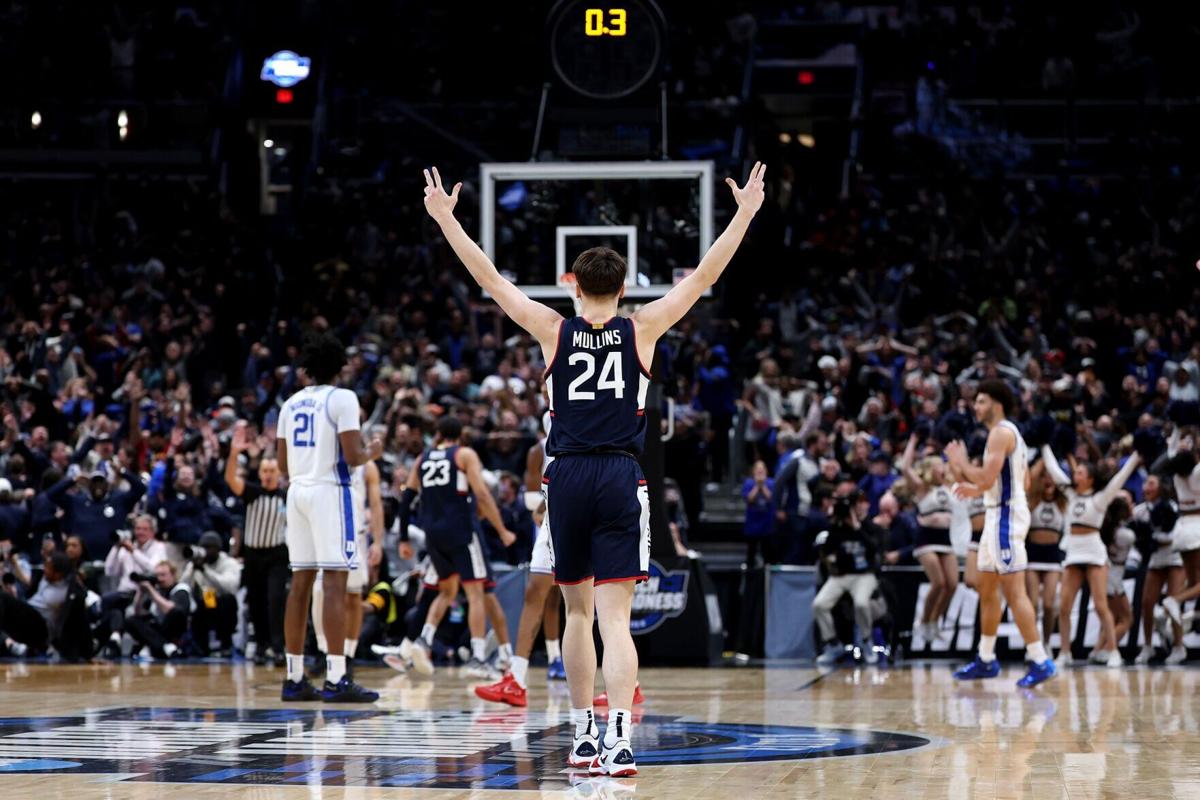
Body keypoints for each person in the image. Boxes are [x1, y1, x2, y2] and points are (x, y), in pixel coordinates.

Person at [423, 161, 765, 776]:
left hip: (568, 479)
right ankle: (620, 741)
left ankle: (583, 737)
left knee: (576, 614)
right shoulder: (645, 328)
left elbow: (490, 278)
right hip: (620, 477)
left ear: (573, 285)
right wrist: (743, 212)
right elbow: (708, 273)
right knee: (616, 621)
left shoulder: (552, 330)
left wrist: (447, 218)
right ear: (624, 289)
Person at [276, 332, 382, 702]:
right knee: (335, 583)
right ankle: (337, 677)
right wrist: (374, 451)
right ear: (340, 366)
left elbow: (280, 464)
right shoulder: (343, 398)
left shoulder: (289, 404)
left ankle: (293, 677)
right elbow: (353, 457)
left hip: (297, 492)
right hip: (329, 493)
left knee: (300, 585)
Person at [946, 379, 1056, 688]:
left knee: (1014, 591)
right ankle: (986, 658)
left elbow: (986, 474)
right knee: (987, 587)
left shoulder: (1000, 433)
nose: (975, 407)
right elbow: (1021, 482)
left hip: (1005, 515)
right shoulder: (1011, 435)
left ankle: (1039, 659)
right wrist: (977, 487)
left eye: (980, 401)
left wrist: (961, 464)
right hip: (999, 511)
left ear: (996, 404)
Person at [398, 415, 515, 677]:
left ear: (438, 433)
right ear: (460, 434)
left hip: (433, 534)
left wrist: (404, 537)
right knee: (476, 593)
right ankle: (477, 656)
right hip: (461, 530)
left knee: (446, 590)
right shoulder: (464, 455)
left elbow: (406, 499)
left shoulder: (422, 459)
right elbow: (483, 494)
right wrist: (502, 530)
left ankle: (424, 640)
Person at [1040, 440, 1140, 666]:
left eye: (1080, 472)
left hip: (1094, 551)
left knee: (1100, 605)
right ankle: (1064, 652)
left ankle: (1113, 651)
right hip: (1074, 551)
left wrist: (1135, 457)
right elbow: (1055, 471)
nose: (1075, 475)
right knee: (1064, 606)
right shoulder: (1071, 495)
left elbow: (1119, 478)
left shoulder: (1100, 498)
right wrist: (1045, 444)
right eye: (1075, 472)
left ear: (1090, 478)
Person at [224, 422, 289, 665]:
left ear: (279, 474)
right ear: (260, 473)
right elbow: (230, 478)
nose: (269, 474)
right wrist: (234, 453)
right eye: (265, 470)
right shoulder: (252, 492)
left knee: (276, 599)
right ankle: (262, 646)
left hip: (277, 555)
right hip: (253, 555)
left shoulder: (286, 495)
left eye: (273, 470)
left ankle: (278, 646)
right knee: (257, 602)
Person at [900, 434, 958, 645]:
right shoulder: (922, 488)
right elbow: (906, 468)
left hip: (945, 538)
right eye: (936, 466)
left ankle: (935, 620)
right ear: (929, 470)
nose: (941, 469)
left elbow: (958, 465)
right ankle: (924, 621)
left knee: (952, 584)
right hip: (926, 539)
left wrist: (953, 447)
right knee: (938, 582)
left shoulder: (949, 487)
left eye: (941, 466)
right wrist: (914, 440)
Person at [813, 492, 882, 665]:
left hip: (864, 575)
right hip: (841, 576)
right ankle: (832, 643)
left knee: (861, 603)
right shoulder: (836, 528)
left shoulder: (868, 526)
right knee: (819, 604)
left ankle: (866, 640)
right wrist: (836, 522)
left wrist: (857, 527)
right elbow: (827, 549)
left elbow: (874, 548)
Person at [1134, 475, 1186, 664]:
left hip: (1174, 555)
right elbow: (1136, 535)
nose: (1146, 486)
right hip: (1156, 557)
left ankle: (1178, 646)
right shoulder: (1140, 511)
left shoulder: (1171, 505)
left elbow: (1173, 534)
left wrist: (1153, 537)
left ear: (1161, 487)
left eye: (1151, 483)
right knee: (1147, 603)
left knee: (1173, 601)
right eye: (1145, 483)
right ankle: (1147, 646)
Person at [100, 514, 168, 657]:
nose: (140, 532)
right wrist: (117, 547)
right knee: (110, 606)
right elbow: (110, 570)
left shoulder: (159, 548)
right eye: (137, 529)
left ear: (152, 531)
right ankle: (113, 641)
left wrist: (133, 552)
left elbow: (153, 569)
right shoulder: (127, 547)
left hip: (145, 593)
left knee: (113, 602)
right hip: (123, 592)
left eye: (144, 529)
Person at [1024, 461, 1068, 646]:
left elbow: (1068, 482)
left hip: (1052, 556)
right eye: (1045, 476)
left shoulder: (1063, 503)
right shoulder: (1033, 501)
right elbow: (1030, 479)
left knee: (1049, 605)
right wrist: (1043, 459)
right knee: (1032, 604)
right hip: (1033, 555)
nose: (1049, 480)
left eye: (1052, 477)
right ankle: (1032, 644)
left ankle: (1047, 644)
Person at [182, 531, 242, 656]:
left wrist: (205, 570)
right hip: (206, 600)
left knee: (227, 600)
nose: (206, 551)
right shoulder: (196, 562)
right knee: (198, 605)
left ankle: (226, 644)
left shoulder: (229, 563)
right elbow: (183, 586)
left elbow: (230, 587)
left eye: (209, 547)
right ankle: (200, 647)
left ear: (218, 549)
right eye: (203, 547)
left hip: (223, 602)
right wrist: (192, 568)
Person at [125, 560, 192, 659]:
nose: (159, 579)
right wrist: (140, 592)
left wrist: (152, 591)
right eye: (157, 575)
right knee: (131, 620)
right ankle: (166, 647)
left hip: (177, 631)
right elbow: (137, 612)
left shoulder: (181, 589)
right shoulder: (157, 590)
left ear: (173, 575)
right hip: (159, 631)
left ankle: (156, 646)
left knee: (176, 613)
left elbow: (171, 610)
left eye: (163, 575)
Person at [1102, 495, 1137, 659]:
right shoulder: (1126, 534)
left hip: (1108, 574)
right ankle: (1108, 649)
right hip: (1115, 579)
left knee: (1112, 618)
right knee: (1126, 619)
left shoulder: (1107, 528)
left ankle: (1097, 650)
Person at [742, 460, 776, 566]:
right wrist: (757, 486)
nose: (760, 472)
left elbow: (771, 498)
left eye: (762, 469)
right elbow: (749, 499)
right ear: (753, 471)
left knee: (768, 556)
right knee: (751, 555)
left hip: (767, 526)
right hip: (753, 526)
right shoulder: (748, 483)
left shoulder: (771, 483)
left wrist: (763, 486)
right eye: (758, 470)